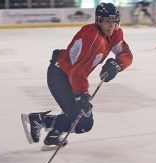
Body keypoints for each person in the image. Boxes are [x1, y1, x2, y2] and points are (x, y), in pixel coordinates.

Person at [21, 3, 133, 149]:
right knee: (84, 124)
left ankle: (54, 134)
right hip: (60, 77)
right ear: (99, 20)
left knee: (78, 115)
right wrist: (81, 94)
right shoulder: (93, 39)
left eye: (114, 20)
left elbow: (126, 54)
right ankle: (40, 120)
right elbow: (76, 70)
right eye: (107, 21)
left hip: (72, 77)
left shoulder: (115, 34)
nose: (111, 25)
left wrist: (117, 65)